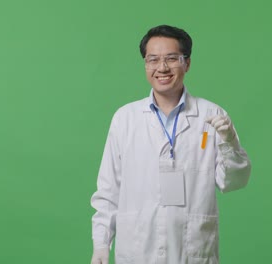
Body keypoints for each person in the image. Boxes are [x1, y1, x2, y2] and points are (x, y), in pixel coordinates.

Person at [90, 25, 251, 264]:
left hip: (192, 252)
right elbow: (108, 189)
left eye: (171, 59)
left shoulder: (211, 114)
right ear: (145, 64)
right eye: (152, 59)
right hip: (137, 251)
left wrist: (230, 144)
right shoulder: (125, 118)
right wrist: (102, 243)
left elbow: (233, 182)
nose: (162, 68)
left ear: (186, 63)